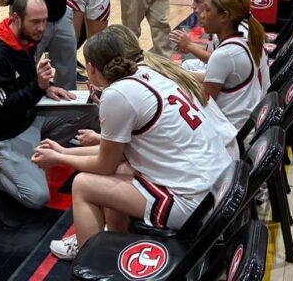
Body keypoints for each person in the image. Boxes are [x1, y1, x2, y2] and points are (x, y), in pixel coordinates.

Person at [35, 25, 233, 260]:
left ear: (90, 67)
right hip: (219, 185)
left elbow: (104, 164)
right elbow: (117, 155)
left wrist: (59, 158)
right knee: (116, 174)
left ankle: (92, 260)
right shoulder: (153, 70)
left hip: (194, 202)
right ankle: (114, 242)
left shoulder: (118, 94)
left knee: (83, 184)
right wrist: (64, 150)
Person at [0, 0, 99, 209]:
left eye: (44, 21)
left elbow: (25, 82)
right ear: (15, 19)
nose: (42, 28)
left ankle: (29, 152)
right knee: (37, 197)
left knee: (91, 111)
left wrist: (47, 88)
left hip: (28, 118)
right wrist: (37, 86)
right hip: (2, 132)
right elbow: (4, 107)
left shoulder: (25, 39)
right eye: (35, 22)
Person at [198, 0, 265, 131]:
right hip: (245, 126)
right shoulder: (243, 40)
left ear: (224, 16)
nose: (202, 15)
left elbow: (204, 102)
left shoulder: (224, 55)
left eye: (207, 10)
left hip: (231, 133)